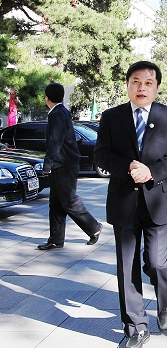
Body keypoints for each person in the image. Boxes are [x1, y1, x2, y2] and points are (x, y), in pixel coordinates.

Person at [95, 61, 167, 348]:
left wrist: (152, 171)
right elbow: (101, 154)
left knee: (157, 263)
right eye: (136, 81)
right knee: (127, 267)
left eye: (148, 83)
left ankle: (164, 300)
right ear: (127, 85)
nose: (141, 88)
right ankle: (135, 326)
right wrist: (129, 167)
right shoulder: (112, 117)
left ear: (157, 87)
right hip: (124, 201)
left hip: (159, 199)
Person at [37, 83, 102, 250]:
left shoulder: (58, 113)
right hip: (62, 163)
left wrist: (47, 164)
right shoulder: (60, 112)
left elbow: (55, 141)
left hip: (64, 164)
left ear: (47, 98)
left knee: (68, 201)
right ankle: (56, 239)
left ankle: (93, 227)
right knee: (56, 203)